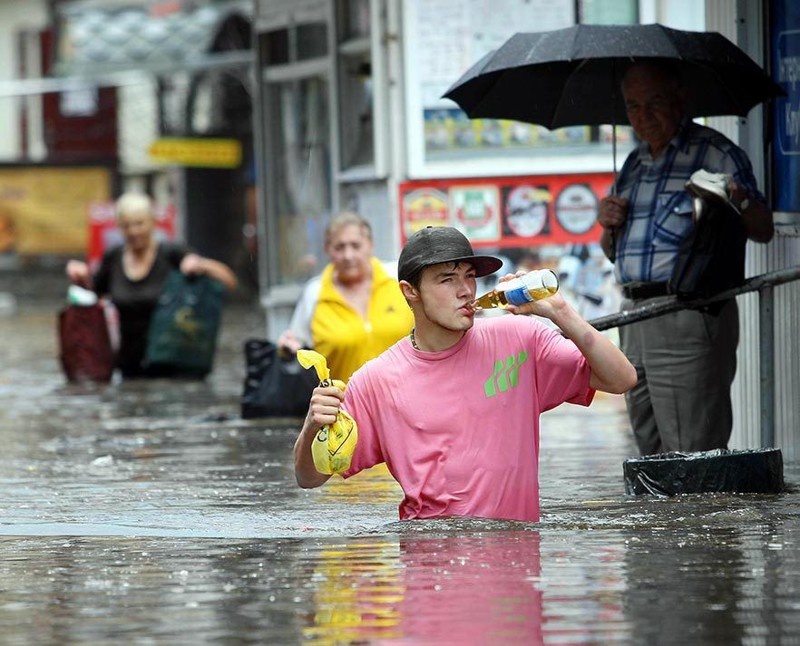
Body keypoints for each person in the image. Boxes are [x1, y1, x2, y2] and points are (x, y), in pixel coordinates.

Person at [293, 226, 637, 522]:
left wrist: (561, 312)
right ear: (410, 292)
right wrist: (312, 426)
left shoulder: (521, 339)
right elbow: (310, 477)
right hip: (429, 568)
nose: (465, 290)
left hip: (515, 573)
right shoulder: (376, 380)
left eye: (469, 277)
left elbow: (620, 379)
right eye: (447, 279)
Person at [596, 61, 774, 456]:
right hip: (632, 315)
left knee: (693, 449)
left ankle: (707, 519)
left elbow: (763, 228)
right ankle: (666, 522)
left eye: (654, 102)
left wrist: (733, 193)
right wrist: (606, 223)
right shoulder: (633, 164)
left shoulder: (714, 152)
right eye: (633, 105)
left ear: (680, 99)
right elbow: (613, 252)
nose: (644, 115)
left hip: (687, 313)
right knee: (650, 448)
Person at [65, 192, 238, 378]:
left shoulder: (172, 253)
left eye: (139, 223)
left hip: (175, 366)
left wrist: (201, 265)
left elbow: (229, 282)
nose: (133, 231)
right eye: (126, 225)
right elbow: (93, 298)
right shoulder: (113, 257)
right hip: (130, 368)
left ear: (152, 222)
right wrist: (80, 277)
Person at [278, 211, 413, 382]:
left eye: (356, 246)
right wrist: (288, 348)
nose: (348, 256)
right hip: (343, 404)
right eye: (339, 247)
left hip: (404, 400)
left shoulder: (397, 279)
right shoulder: (315, 292)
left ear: (370, 245)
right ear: (327, 250)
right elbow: (298, 348)